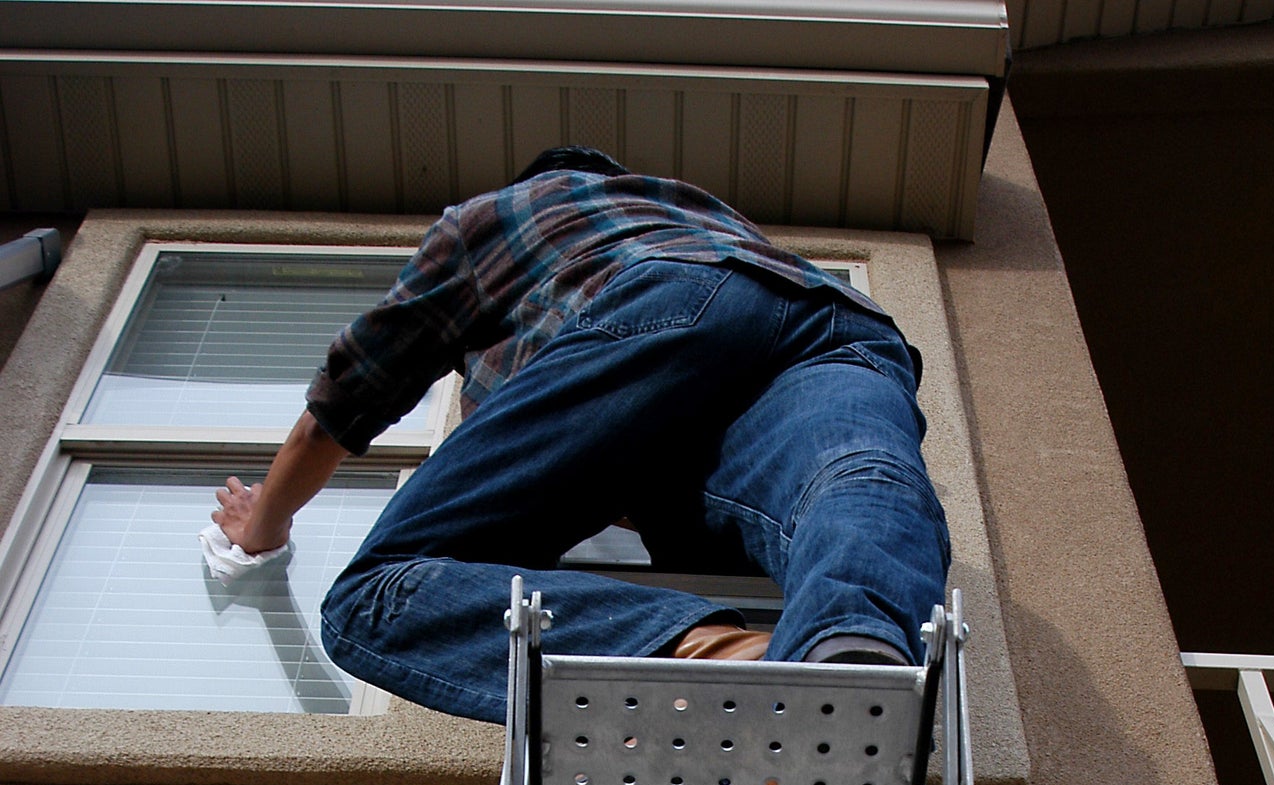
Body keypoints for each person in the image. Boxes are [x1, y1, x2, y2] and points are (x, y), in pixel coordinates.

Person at [212, 146, 951, 723]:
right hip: (844, 325)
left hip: (664, 306)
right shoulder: (703, 213)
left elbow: (343, 403)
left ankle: (729, 658)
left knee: (377, 594)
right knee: (849, 478)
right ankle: (848, 645)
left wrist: (261, 530)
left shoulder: (499, 215)